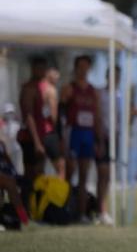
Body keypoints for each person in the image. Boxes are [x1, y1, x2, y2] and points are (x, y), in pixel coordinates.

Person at [61, 55, 101, 223]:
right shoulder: (69, 88)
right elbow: (61, 111)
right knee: (70, 172)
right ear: (76, 68)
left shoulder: (93, 91)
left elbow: (97, 116)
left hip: (88, 134)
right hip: (74, 132)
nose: (83, 69)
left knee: (84, 175)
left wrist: (99, 140)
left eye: (86, 66)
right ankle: (65, 210)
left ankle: (82, 214)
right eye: (81, 66)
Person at [17, 57, 65, 196]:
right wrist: (37, 141)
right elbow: (28, 116)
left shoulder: (48, 88)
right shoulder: (30, 89)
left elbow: (54, 116)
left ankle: (55, 200)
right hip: (33, 136)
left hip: (47, 134)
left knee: (49, 168)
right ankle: (28, 206)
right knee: (32, 172)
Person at [94, 65, 122, 226]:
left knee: (108, 175)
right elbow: (98, 116)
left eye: (118, 76)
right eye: (113, 76)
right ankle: (101, 210)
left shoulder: (120, 95)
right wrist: (100, 140)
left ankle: (103, 210)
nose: (116, 79)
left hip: (114, 138)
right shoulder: (100, 94)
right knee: (102, 174)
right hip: (102, 137)